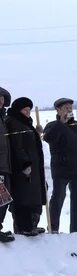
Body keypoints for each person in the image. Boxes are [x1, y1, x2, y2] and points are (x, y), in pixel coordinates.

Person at [42, 97, 77, 234]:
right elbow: (49, 138)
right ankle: (53, 227)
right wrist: (61, 123)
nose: (69, 110)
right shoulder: (53, 125)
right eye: (66, 108)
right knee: (58, 196)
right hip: (62, 168)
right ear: (58, 110)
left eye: (70, 108)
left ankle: (76, 228)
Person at [5, 97, 46, 236]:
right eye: (25, 110)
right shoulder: (14, 122)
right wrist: (25, 163)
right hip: (22, 169)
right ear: (18, 110)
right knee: (23, 198)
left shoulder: (25, 123)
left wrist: (35, 131)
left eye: (29, 110)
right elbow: (17, 146)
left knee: (33, 197)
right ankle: (23, 227)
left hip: (32, 167)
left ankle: (32, 225)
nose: (28, 112)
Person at [0, 86, 13, 242]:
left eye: (2, 99)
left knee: (4, 199)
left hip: (5, 166)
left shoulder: (3, 119)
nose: (1, 101)